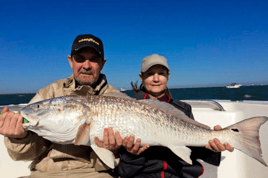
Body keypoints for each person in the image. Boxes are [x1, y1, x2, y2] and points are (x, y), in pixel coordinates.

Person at [0, 34, 124, 178]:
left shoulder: (116, 97)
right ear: (71, 61)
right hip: (45, 171)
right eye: (80, 59)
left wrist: (112, 150)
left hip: (94, 172)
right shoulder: (49, 93)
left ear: (102, 63)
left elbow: (109, 163)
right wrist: (20, 138)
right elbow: (22, 155)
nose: (86, 65)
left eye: (94, 60)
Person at [116, 54, 234, 178]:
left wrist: (213, 148)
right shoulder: (126, 108)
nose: (156, 79)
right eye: (150, 74)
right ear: (141, 77)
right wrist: (132, 154)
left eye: (161, 73)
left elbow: (193, 146)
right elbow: (124, 170)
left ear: (168, 76)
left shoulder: (183, 109)